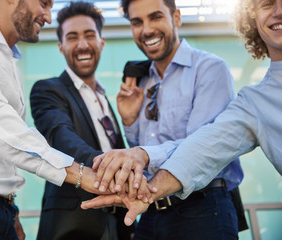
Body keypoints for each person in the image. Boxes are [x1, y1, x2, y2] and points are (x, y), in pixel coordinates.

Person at [0, 0, 117, 239]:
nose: (47, 17)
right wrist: (80, 174)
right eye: (44, 4)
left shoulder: (8, 61)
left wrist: (10, 208)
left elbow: (3, 147)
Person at [82, 0, 282, 231]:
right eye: (137, 22)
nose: (147, 30)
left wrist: (144, 155)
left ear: (176, 17)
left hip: (202, 208)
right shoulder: (142, 82)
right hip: (151, 206)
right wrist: (129, 123)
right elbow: (200, 148)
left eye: (155, 17)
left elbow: (201, 146)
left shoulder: (209, 68)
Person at [30, 2, 137, 239]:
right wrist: (112, 167)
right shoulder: (47, 90)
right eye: (72, 37)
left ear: (102, 42)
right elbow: (61, 137)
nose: (82, 44)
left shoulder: (105, 99)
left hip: (118, 222)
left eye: (90, 35)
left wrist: (129, 121)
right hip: (73, 225)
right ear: (61, 47)